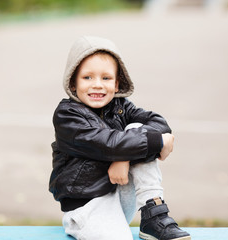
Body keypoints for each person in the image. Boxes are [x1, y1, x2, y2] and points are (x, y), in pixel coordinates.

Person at [49, 36, 190, 240]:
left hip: (120, 195)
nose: (97, 85)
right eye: (87, 77)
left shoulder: (121, 107)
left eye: (106, 78)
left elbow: (158, 122)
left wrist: (123, 158)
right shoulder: (67, 116)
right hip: (87, 205)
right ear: (72, 83)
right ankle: (83, 226)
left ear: (117, 84)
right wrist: (157, 142)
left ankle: (153, 214)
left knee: (138, 128)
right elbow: (106, 144)